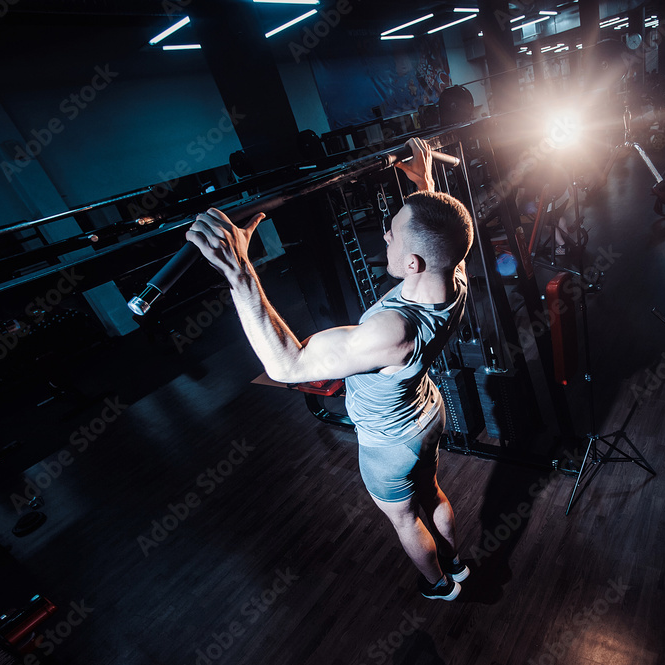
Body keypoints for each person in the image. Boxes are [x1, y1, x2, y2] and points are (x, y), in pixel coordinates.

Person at [186, 138, 473, 601]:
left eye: (392, 235)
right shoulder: (453, 276)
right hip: (427, 415)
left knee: (405, 518)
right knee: (432, 491)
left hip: (388, 442)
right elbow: (438, 233)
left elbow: (287, 364)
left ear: (413, 261)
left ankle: (439, 585)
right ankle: (456, 564)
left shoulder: (391, 332)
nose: (385, 237)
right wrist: (425, 183)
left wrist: (240, 272)